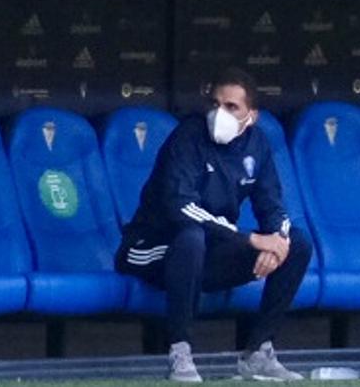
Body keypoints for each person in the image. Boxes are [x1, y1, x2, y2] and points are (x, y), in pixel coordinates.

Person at [114, 67, 312, 383]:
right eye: (216, 104)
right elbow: (182, 208)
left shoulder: (257, 144)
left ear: (252, 115)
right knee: (191, 237)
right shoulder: (188, 136)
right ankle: (180, 353)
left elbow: (273, 206)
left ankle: (258, 352)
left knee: (297, 243)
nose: (221, 113)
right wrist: (250, 241)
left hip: (208, 255)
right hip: (151, 251)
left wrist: (277, 240)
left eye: (232, 107)